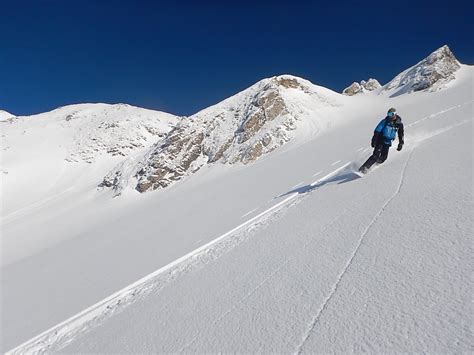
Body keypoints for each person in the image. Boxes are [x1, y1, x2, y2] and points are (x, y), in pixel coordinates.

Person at [359, 108, 404, 174]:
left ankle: (373, 165)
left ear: (395, 114)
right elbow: (377, 130)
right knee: (376, 155)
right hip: (380, 140)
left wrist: (401, 143)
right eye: (388, 114)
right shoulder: (385, 121)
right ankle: (364, 168)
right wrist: (374, 140)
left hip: (388, 142)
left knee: (383, 158)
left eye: (391, 114)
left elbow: (401, 134)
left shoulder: (399, 124)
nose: (389, 116)